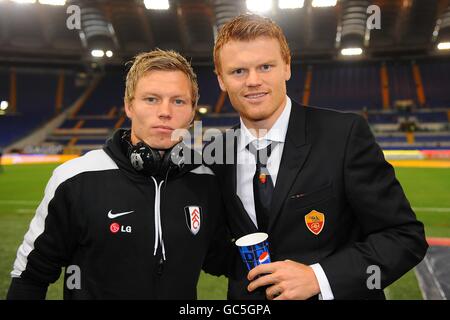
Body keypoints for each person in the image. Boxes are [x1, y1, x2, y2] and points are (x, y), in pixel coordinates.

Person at [206, 14, 428, 300]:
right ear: (221, 79)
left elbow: (404, 237)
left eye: (265, 66)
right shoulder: (217, 153)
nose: (253, 81)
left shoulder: (344, 134)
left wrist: (319, 277)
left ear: (286, 66)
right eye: (238, 71)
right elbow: (215, 249)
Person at [7, 49, 230, 299]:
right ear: (129, 105)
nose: (165, 111)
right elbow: (30, 277)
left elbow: (220, 258)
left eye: (178, 101)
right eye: (151, 99)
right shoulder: (75, 179)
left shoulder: (207, 180)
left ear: (191, 112)